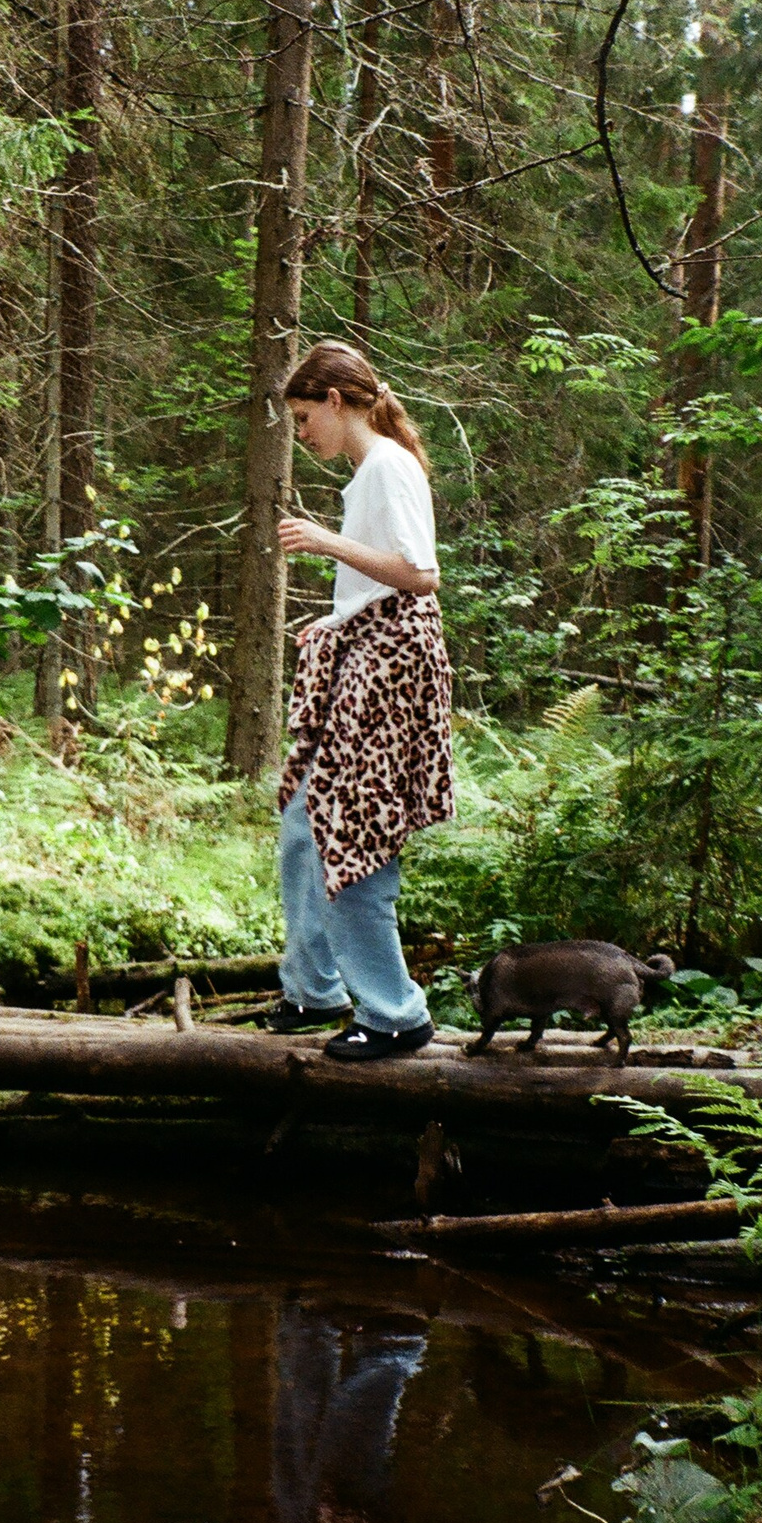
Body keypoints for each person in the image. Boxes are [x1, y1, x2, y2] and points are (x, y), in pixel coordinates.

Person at [261, 341, 455, 1060]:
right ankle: (316, 987)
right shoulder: (372, 471)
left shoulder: (387, 468)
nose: (302, 432)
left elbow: (419, 574)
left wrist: (325, 542)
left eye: (306, 416)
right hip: (365, 654)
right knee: (304, 820)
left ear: (337, 403)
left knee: (354, 834)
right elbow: (388, 584)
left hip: (387, 672)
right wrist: (337, 620)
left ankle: (395, 1012)